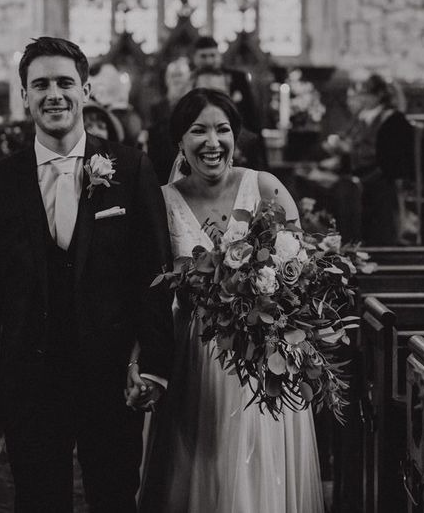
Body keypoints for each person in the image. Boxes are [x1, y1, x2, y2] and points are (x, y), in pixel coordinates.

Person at [0, 36, 173, 512]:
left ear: (85, 90)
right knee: (38, 501)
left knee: (115, 496)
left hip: (112, 375)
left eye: (64, 83)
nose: (53, 94)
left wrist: (156, 364)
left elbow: (155, 272)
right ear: (24, 96)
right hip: (30, 379)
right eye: (40, 85)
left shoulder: (130, 168)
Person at [136, 88, 324, 513]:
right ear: (180, 142)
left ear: (235, 138)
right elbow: (147, 289)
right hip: (194, 357)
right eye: (198, 131)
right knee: (203, 468)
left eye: (222, 130)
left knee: (261, 471)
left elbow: (303, 273)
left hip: (264, 357)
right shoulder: (161, 202)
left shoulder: (265, 188)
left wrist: (272, 300)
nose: (212, 142)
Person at [325, 74, 413, 245]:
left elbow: (383, 155)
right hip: (367, 172)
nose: (361, 99)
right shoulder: (365, 116)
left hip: (383, 177)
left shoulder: (393, 119)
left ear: (378, 95)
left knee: (346, 188)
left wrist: (349, 152)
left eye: (365, 94)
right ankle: (345, 239)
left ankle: (354, 241)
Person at [192, 35, 261, 133]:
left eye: (212, 55)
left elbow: (251, 114)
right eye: (203, 56)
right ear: (195, 58)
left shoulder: (238, 78)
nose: (209, 61)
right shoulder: (189, 80)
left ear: (220, 56)